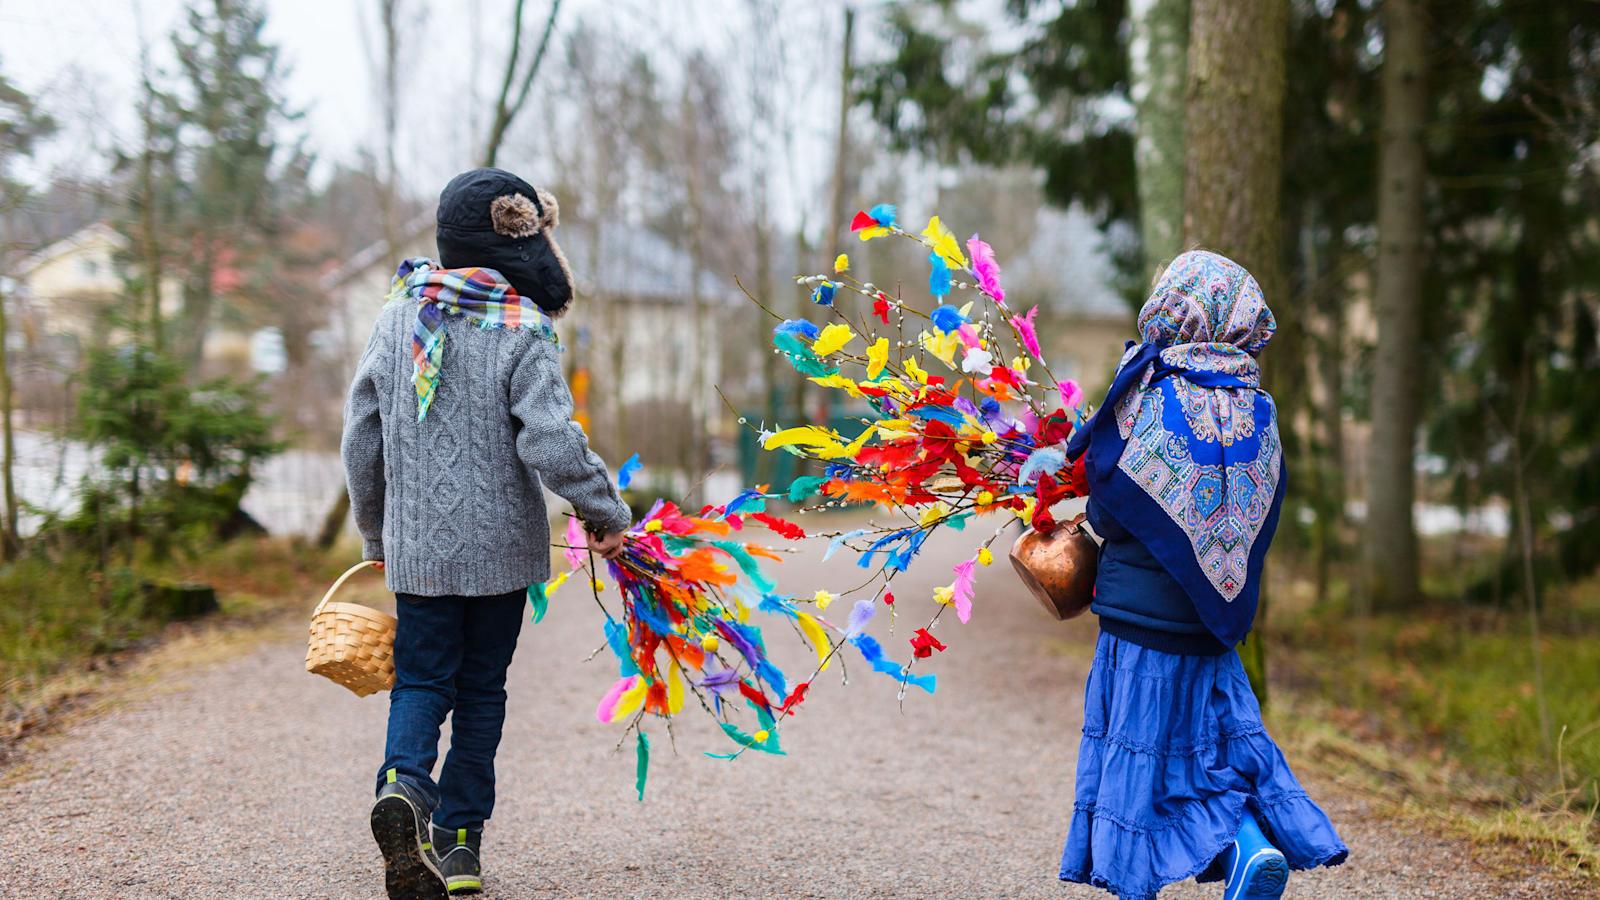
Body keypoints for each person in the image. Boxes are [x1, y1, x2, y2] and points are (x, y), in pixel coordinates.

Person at [341, 168, 633, 900]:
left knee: (421, 679)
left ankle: (403, 789)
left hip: (418, 555)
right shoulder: (523, 329)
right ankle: (461, 845)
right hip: (500, 556)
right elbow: (552, 442)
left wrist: (376, 533)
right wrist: (604, 511)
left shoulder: (396, 317)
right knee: (480, 694)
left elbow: (361, 437)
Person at [1057, 250, 1348, 900]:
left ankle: (1135, 881)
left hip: (1139, 627)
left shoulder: (1150, 395)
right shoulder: (1259, 410)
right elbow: (1263, 502)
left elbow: (1111, 500)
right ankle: (1250, 848)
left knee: (1139, 763)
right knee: (1213, 757)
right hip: (1213, 629)